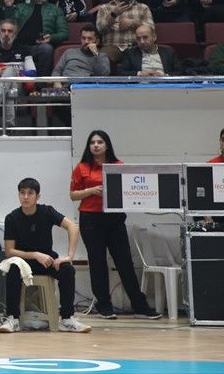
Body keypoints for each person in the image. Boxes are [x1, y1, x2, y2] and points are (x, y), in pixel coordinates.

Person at [69, 130, 161, 320]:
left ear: (107, 145)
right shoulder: (82, 167)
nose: (96, 145)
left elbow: (129, 190)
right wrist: (91, 190)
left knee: (124, 261)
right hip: (91, 219)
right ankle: (104, 305)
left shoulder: (118, 166)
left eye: (100, 142)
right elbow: (73, 195)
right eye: (92, 142)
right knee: (97, 263)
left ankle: (140, 306)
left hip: (114, 218)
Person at [0, 177, 90, 333]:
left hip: (47, 260)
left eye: (30, 193)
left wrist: (69, 256)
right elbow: (9, 251)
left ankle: (66, 319)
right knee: (13, 267)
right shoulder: (12, 218)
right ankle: (13, 318)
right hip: (23, 262)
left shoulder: (46, 212)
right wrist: (35, 255)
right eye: (22, 193)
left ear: (38, 196)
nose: (25, 197)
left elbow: (72, 227)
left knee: (67, 270)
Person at [5, 0, 68, 75]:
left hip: (39, 47)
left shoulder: (55, 10)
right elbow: (9, 24)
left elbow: (64, 33)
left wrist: (51, 38)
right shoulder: (21, 7)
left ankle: (41, 82)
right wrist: (9, 7)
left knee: (46, 48)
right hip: (19, 45)